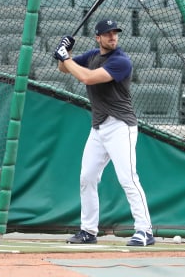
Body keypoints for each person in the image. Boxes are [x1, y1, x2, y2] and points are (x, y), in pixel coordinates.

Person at [53, 19, 155, 247]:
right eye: (107, 34)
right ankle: (88, 231)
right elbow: (63, 68)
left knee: (128, 178)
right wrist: (64, 51)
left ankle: (145, 231)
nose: (113, 37)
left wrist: (65, 56)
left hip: (121, 126)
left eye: (115, 33)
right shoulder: (91, 56)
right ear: (98, 38)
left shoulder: (121, 61)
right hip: (99, 127)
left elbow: (86, 77)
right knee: (87, 177)